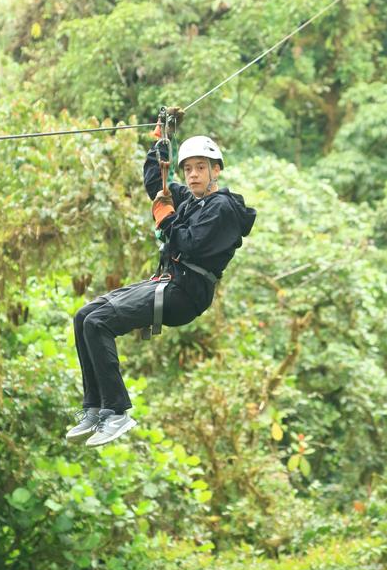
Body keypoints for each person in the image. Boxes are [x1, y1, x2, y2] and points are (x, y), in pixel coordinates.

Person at [66, 122, 256, 447]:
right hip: (167, 282)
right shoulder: (191, 200)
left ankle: (117, 412)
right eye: (188, 170)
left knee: (99, 323)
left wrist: (166, 218)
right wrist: (161, 145)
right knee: (85, 316)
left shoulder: (223, 209)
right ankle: (95, 407)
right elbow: (157, 183)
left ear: (216, 171)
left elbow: (189, 244)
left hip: (184, 294)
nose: (193, 175)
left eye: (200, 168)